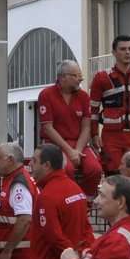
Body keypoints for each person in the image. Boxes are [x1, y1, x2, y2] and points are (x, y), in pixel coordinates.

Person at [37, 60, 102, 196]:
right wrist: (69, 151)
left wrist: (77, 150)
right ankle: (68, 199)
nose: (81, 78)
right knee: (67, 169)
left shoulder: (83, 96)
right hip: (54, 144)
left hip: (79, 143)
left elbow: (86, 128)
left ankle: (85, 202)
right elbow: (48, 128)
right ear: (63, 77)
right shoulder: (46, 94)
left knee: (95, 169)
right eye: (76, 75)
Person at [89, 35, 130, 174]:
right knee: (114, 174)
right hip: (111, 137)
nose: (127, 52)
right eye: (123, 49)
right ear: (114, 52)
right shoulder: (101, 77)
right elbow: (93, 110)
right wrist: (94, 134)